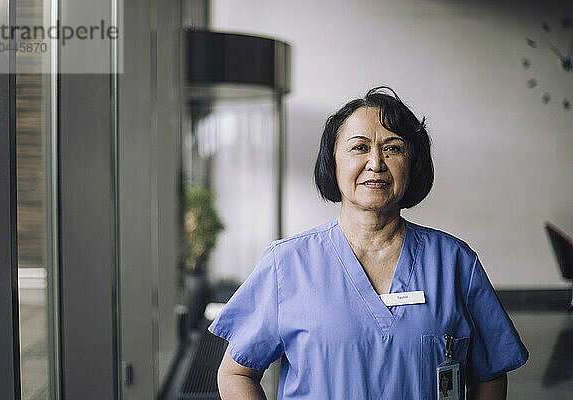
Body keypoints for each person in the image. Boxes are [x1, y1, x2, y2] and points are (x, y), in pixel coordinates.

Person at [208, 87, 528, 399]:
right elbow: (236, 373)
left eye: (393, 148)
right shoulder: (287, 264)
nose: (376, 163)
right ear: (333, 162)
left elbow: (489, 375)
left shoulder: (455, 263)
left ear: (412, 163)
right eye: (359, 147)